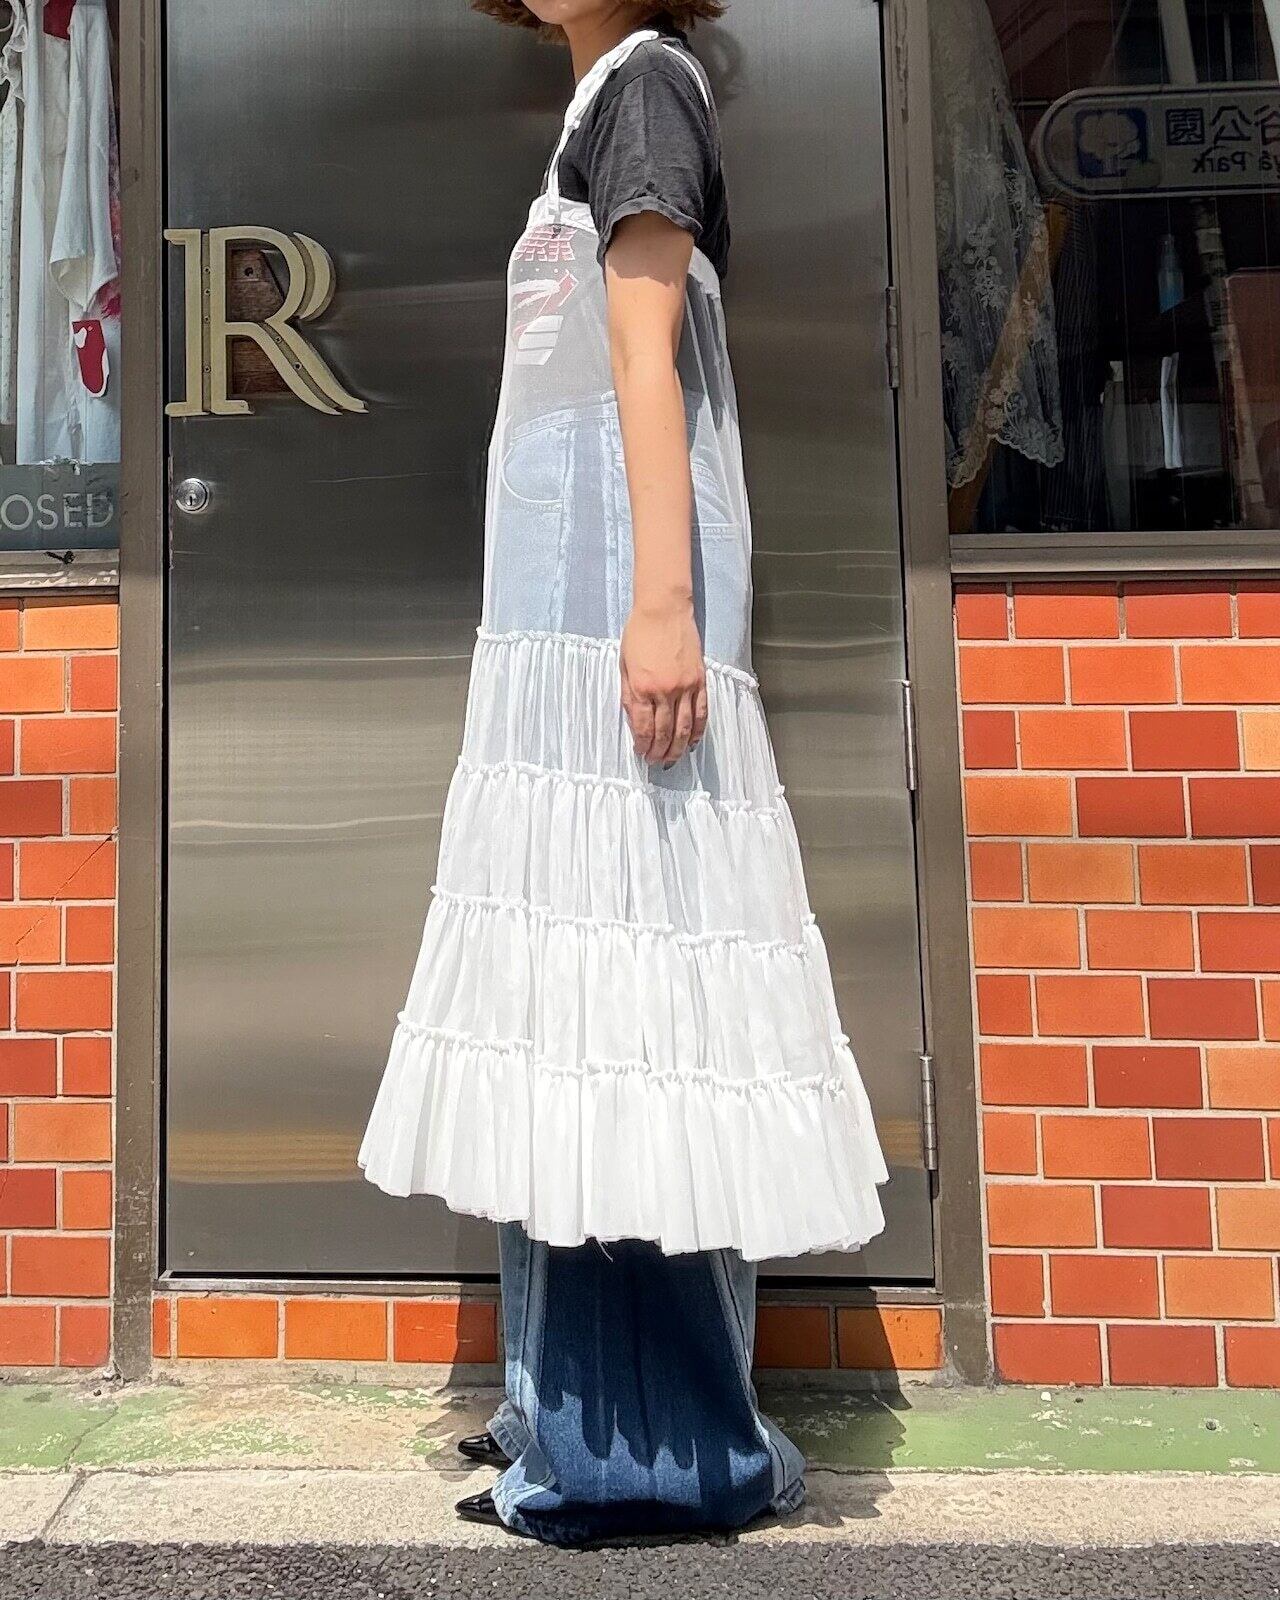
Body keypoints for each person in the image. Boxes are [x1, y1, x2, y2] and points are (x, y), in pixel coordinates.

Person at [358, 0, 888, 1545]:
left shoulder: (647, 86)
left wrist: (661, 607)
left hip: (614, 636)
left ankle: (647, 1450)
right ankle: (568, 1412)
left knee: (627, 1004)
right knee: (578, 1007)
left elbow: (646, 351)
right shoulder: (605, 103)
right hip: (566, 639)